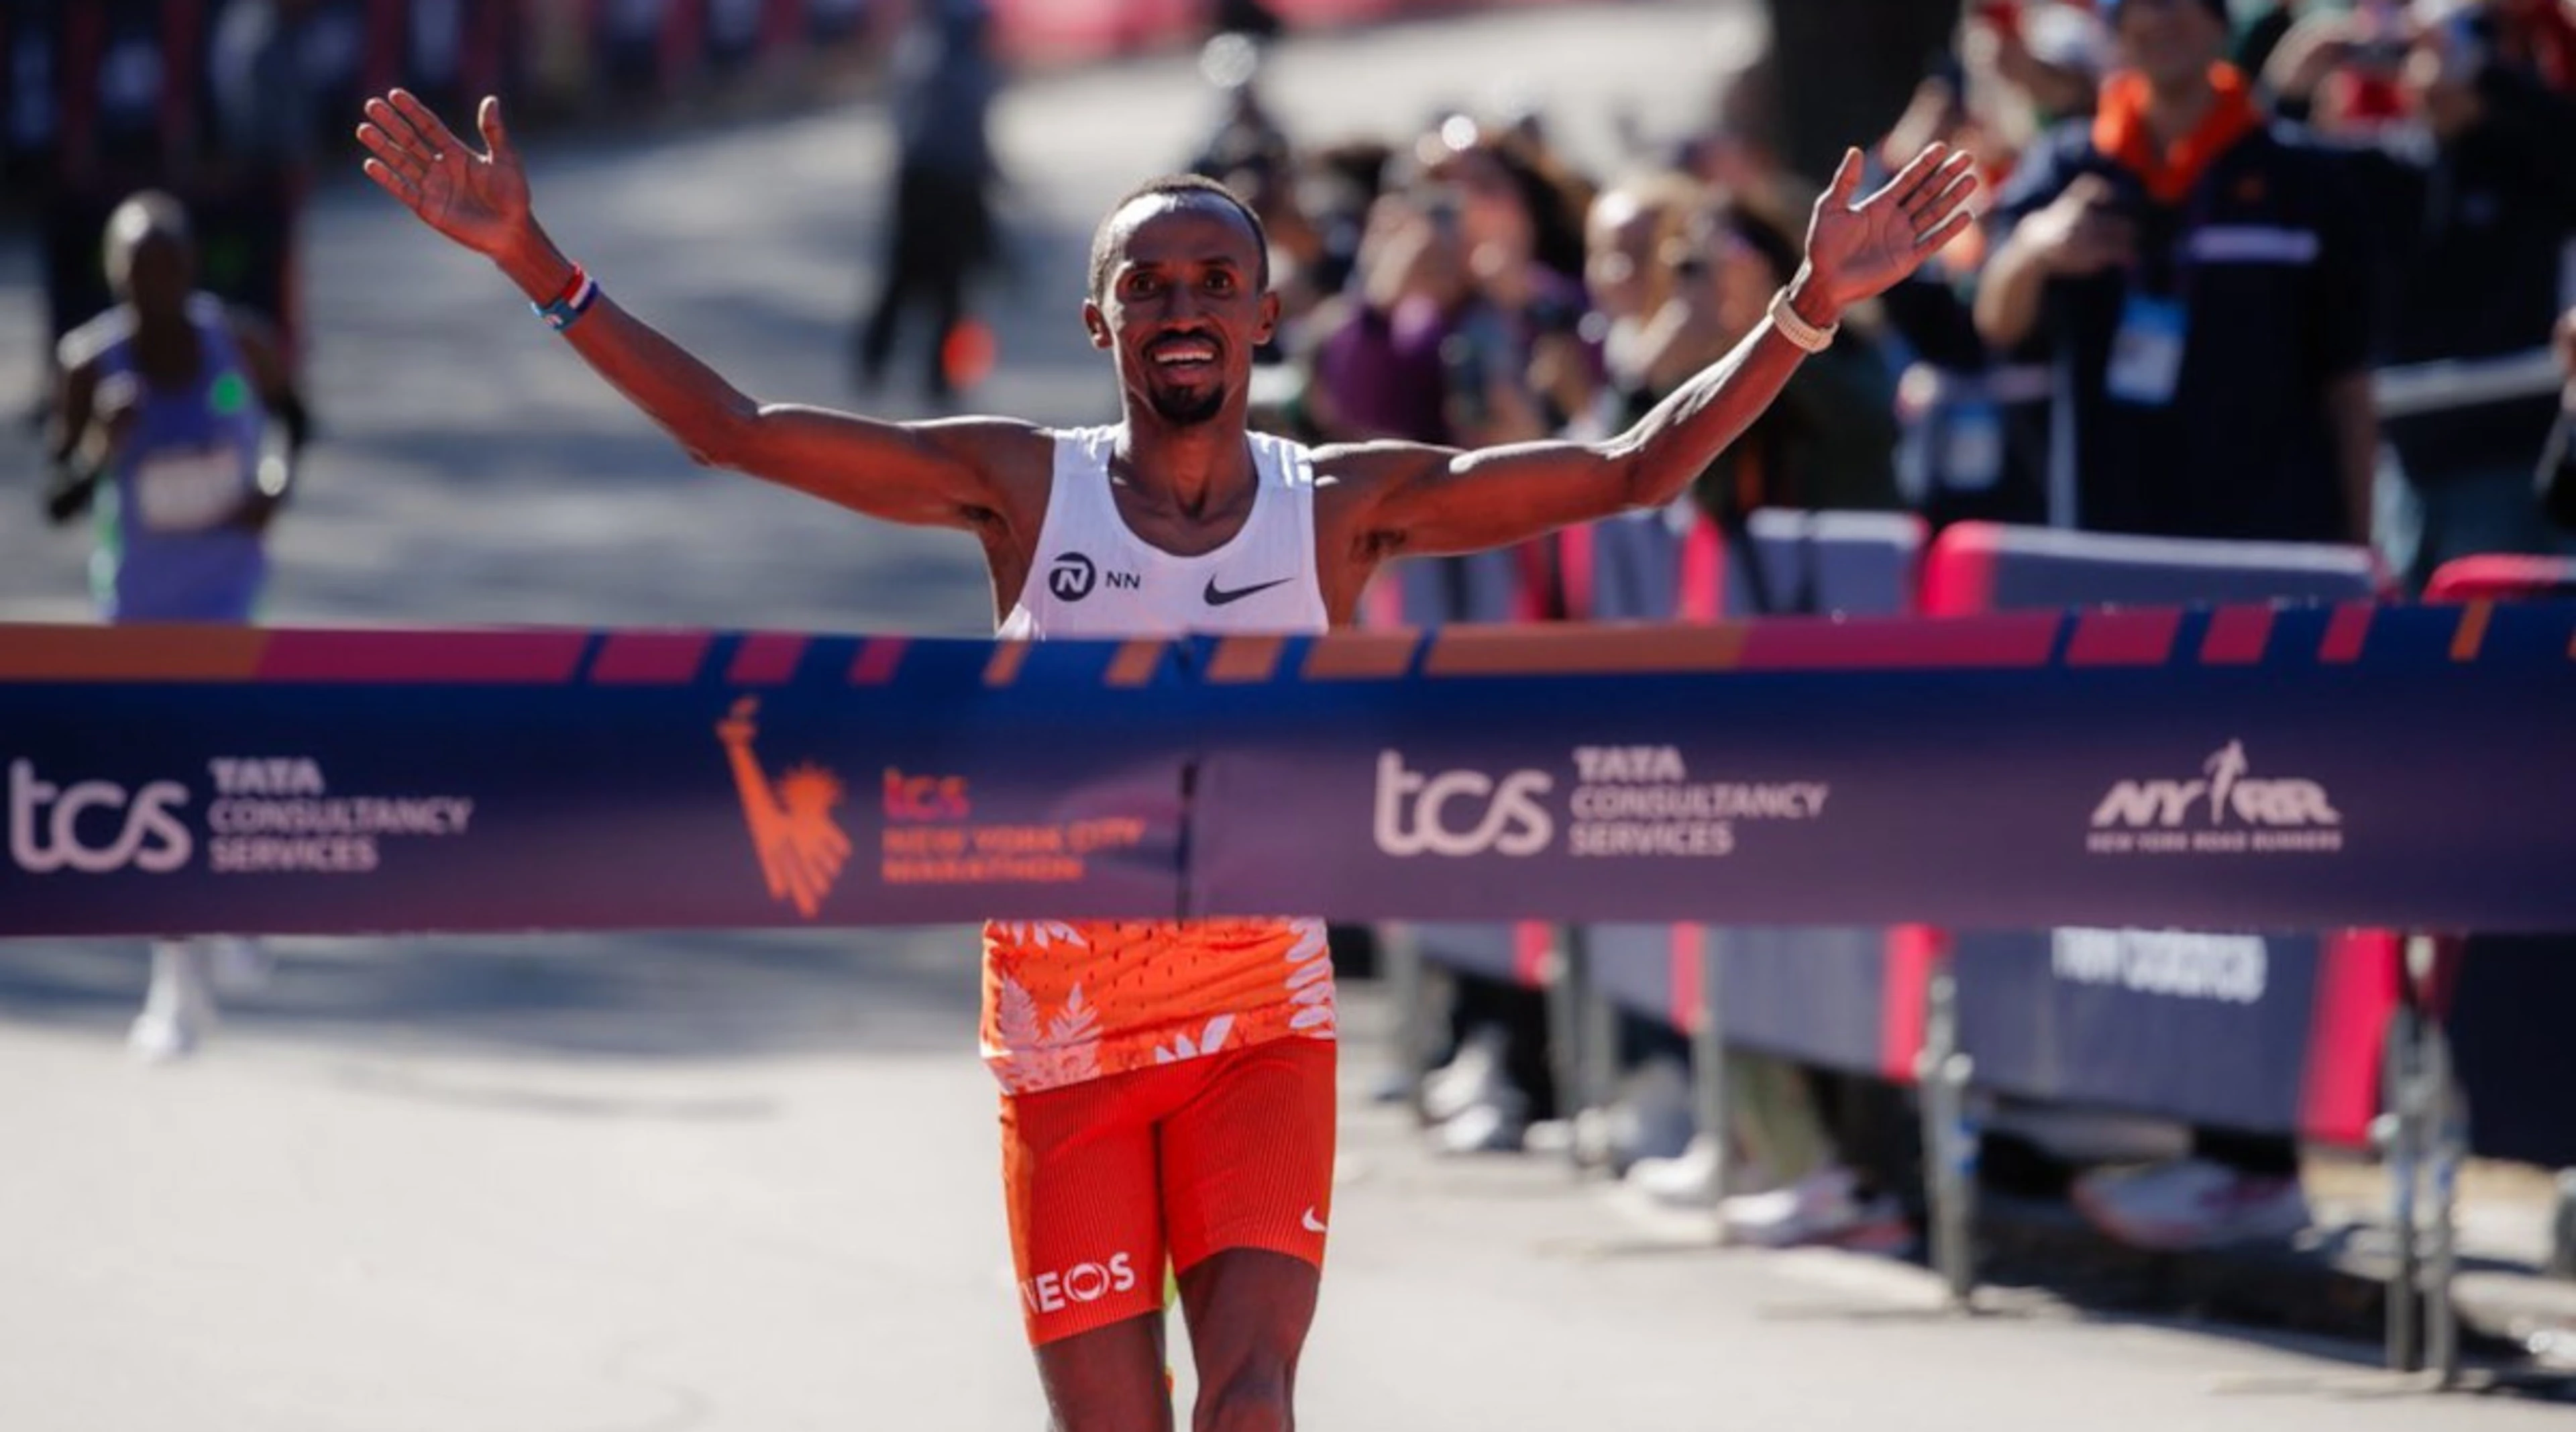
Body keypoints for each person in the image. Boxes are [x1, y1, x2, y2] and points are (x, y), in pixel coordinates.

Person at [356, 85, 1974, 1429]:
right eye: (1151, 285)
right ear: (1099, 321)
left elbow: (1628, 470)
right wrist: (542, 269)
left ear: (1265, 316)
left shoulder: (1334, 501)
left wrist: (1801, 309)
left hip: (1254, 1005)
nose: (1185, 309)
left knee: (1250, 1401)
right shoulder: (1019, 488)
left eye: (1215, 283)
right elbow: (739, 430)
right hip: (1058, 1025)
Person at [44, 191, 308, 1062]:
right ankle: (176, 983)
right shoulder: (91, 363)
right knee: (160, 787)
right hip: (138, 610)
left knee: (221, 768)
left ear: (191, 266)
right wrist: (97, 452)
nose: (153, 287)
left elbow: (296, 422)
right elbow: (57, 500)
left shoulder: (241, 341)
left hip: (228, 598)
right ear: (114, 276)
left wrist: (273, 485)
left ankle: (234, 912)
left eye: (168, 267)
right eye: (135, 272)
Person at [1974, 0, 2380, 545]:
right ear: (2117, 29)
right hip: (2113, 546)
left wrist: (2361, 547)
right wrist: (2034, 248)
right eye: (2140, 6)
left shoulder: (2303, 176)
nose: (2160, 20)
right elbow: (1996, 321)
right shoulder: (2067, 167)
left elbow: (2349, 382)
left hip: (2275, 540)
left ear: (2219, 21)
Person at [851, 0, 1005, 405]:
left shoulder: (946, 56)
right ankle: (877, 360)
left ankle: (936, 375)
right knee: (910, 280)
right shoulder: (939, 60)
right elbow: (939, 129)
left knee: (945, 289)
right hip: (931, 186)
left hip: (945, 183)